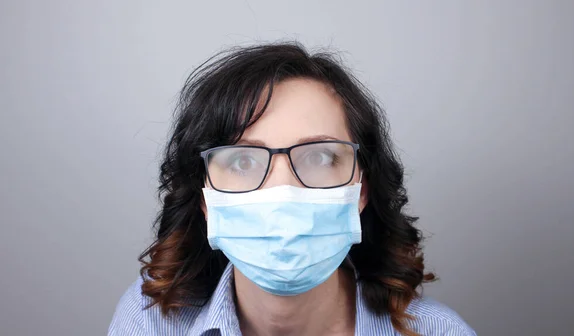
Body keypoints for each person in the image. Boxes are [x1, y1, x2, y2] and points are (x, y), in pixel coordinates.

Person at [108, 42, 476, 336]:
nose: (282, 189)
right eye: (242, 161)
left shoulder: (438, 332)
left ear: (361, 190)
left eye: (318, 157)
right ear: (205, 199)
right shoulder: (152, 323)